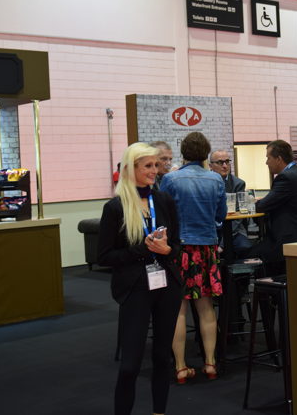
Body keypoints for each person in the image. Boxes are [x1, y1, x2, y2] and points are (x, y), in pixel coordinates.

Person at [97, 142, 182, 415]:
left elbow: (178, 246)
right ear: (130, 168)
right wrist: (142, 250)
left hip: (166, 285)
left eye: (157, 165)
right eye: (148, 166)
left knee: (162, 358)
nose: (155, 170)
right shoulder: (115, 207)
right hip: (135, 288)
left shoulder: (164, 200)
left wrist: (167, 251)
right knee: (130, 365)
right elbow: (104, 256)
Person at [160, 132, 227, 384]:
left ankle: (180, 367)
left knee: (178, 309)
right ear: (206, 153)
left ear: (183, 152)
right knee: (206, 308)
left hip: (179, 250)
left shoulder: (170, 179)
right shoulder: (216, 179)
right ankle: (210, 363)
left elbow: (163, 213)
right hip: (206, 248)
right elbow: (220, 215)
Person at [252, 140, 297, 275]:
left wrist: (250, 204)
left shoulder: (286, 177)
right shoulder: (295, 172)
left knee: (250, 254)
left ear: (279, 159)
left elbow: (262, 206)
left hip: (294, 238)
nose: (266, 162)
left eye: (268, 158)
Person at [209, 149, 252, 257]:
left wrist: (222, 245)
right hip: (211, 229)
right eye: (220, 162)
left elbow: (237, 217)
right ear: (210, 166)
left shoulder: (238, 184)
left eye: (227, 161)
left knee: (244, 247)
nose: (225, 166)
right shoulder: (205, 183)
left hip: (233, 229)